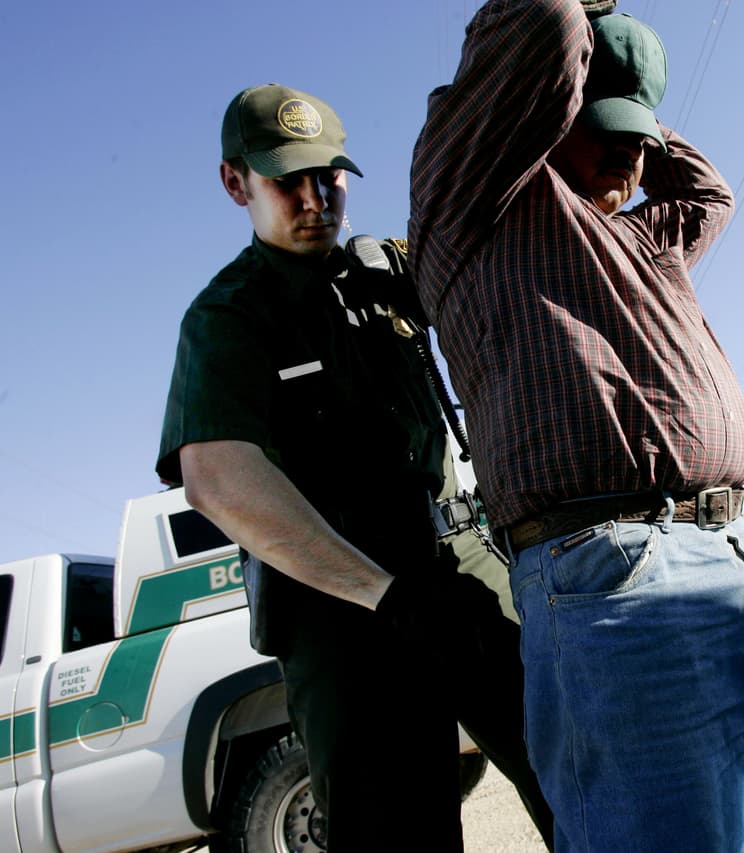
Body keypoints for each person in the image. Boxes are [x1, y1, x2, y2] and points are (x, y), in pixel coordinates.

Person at [408, 2, 744, 850]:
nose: (632, 153)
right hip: (615, 576)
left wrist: (640, 113)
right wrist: (590, 22)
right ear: (542, 115)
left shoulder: (646, 238)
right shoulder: (474, 208)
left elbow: (709, 193)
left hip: (734, 558)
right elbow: (542, 29)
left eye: (643, 138)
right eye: (604, 129)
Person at [156, 83, 553, 851]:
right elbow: (218, 474)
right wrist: (387, 594)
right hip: (346, 613)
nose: (314, 198)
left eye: (329, 175)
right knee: (396, 831)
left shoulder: (388, 269)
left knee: (583, 775)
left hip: (464, 566)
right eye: (285, 180)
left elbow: (499, 267)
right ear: (235, 182)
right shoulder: (229, 316)